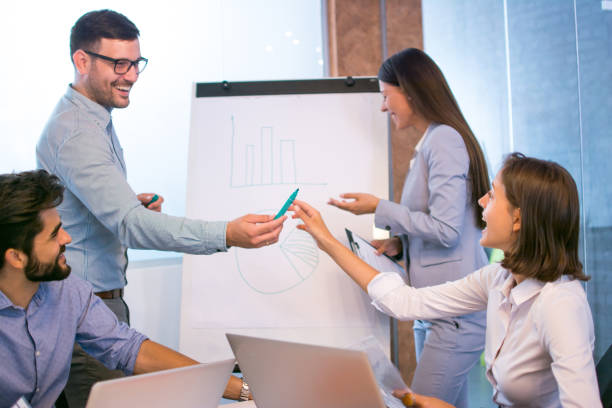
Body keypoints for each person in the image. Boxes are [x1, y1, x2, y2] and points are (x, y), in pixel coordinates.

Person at [36, 9, 279, 406]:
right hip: (85, 307)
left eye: (135, 63)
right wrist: (225, 234)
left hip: (99, 303)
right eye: (119, 63)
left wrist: (125, 203)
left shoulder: (92, 121)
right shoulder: (78, 132)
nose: (131, 75)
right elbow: (130, 226)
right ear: (81, 61)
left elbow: (99, 214)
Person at [292, 153, 602, 407]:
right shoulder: (499, 279)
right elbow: (405, 301)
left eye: (492, 194)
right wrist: (327, 241)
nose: (481, 201)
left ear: (518, 219)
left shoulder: (560, 305)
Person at [0, 170, 251, 408]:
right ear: (16, 257)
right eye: (54, 235)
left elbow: (128, 348)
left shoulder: (66, 290)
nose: (67, 239)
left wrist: (244, 390)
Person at [327, 48, 490, 407]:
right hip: (433, 311)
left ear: (411, 91)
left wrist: (379, 208)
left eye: (386, 96)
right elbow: (447, 225)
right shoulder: (433, 141)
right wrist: (399, 246)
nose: (384, 107)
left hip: (452, 316)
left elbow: (447, 229)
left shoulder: (444, 139)